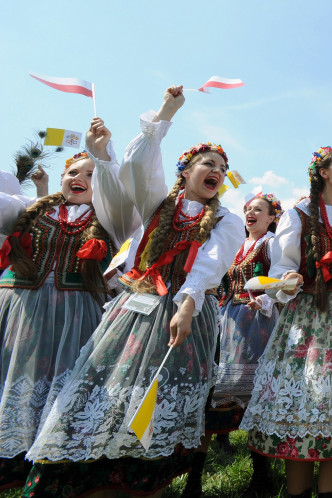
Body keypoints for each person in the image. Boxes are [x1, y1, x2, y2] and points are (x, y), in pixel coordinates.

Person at [23, 86, 244, 497]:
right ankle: (94, 478)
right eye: (206, 162)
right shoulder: (157, 203)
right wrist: (164, 114)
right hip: (135, 311)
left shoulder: (228, 219)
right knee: (108, 390)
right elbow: (140, 167)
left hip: (186, 316)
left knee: (158, 407)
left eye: (221, 166)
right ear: (186, 171)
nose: (215, 169)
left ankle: (146, 485)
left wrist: (188, 303)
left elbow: (211, 264)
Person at [239, 147, 332, 498]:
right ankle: (297, 491)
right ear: (322, 172)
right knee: (305, 406)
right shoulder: (299, 214)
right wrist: (288, 277)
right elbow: (278, 269)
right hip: (308, 318)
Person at [0, 120, 126, 492]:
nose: (80, 176)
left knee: (60, 389)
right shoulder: (28, 210)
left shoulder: (108, 220)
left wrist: (102, 155)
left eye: (90, 173)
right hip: (18, 312)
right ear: (60, 180)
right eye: (73, 171)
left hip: (76, 317)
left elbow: (124, 195)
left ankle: (47, 472)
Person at [182, 192, 283, 498]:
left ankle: (261, 476)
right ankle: (194, 479)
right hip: (226, 320)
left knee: (253, 393)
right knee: (215, 393)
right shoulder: (235, 244)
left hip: (258, 323)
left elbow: (281, 281)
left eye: (258, 210)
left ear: (271, 218)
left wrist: (265, 299)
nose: (251, 214)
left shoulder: (270, 244)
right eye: (248, 209)